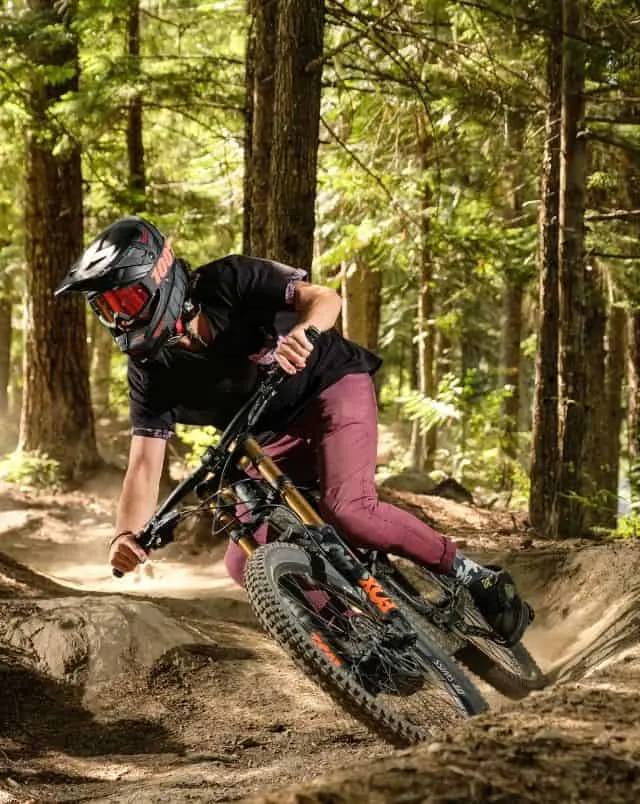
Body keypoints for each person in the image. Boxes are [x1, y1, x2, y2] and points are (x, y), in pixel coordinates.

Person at [55, 216, 533, 646]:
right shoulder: (149, 369)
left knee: (349, 511)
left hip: (330, 386)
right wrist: (124, 535)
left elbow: (325, 298)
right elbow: (143, 465)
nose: (120, 317)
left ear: (160, 280)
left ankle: (474, 576)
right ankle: (361, 639)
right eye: (108, 307)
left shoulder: (229, 279)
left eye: (127, 299)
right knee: (244, 562)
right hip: (268, 438)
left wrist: (304, 334)